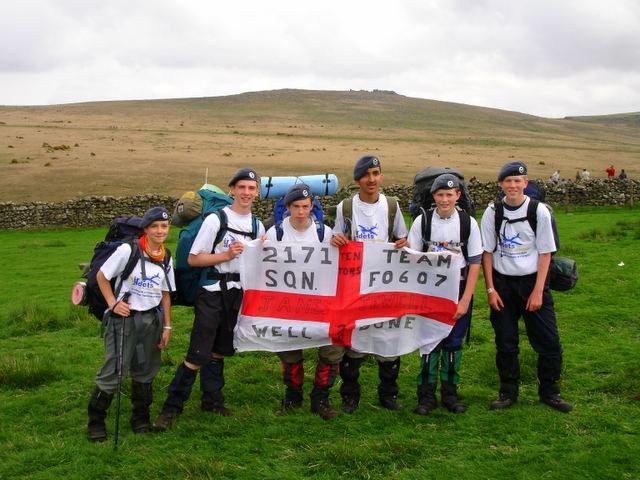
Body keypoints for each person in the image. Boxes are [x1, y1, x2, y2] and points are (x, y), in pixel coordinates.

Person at [153, 168, 265, 430]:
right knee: (198, 352)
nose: (246, 193)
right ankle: (171, 408)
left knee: (220, 350)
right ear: (232, 190)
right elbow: (193, 259)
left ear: (257, 192)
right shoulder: (216, 219)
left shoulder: (257, 225)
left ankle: (212, 400)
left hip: (238, 293)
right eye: (242, 188)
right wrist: (225, 256)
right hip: (212, 290)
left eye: (251, 188)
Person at [481, 161, 572, 413]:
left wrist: (538, 290)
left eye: (517, 181)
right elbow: (486, 252)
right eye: (508, 181)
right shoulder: (493, 211)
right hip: (502, 283)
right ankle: (507, 392)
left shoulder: (539, 211)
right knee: (505, 341)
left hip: (533, 282)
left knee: (549, 341)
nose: (512, 185)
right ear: (501, 185)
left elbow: (546, 253)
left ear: (525, 183)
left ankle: (550, 392)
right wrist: (490, 290)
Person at [87, 206, 174, 442]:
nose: (159, 231)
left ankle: (141, 419)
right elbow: (101, 276)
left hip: (151, 320)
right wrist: (113, 304)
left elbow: (166, 293)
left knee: (146, 370)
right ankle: (96, 422)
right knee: (115, 370)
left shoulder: (165, 256)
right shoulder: (129, 250)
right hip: (123, 320)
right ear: (145, 229)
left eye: (164, 226)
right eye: (154, 226)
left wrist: (167, 326)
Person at [330, 154, 408, 413]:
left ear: (381, 177)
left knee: (387, 341)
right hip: (354, 287)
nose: (371, 179)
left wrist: (403, 244)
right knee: (355, 342)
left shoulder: (393, 206)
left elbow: (404, 240)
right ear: (357, 180)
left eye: (376, 174)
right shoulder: (346, 207)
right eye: (366, 175)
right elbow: (335, 238)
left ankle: (388, 394)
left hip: (384, 285)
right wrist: (337, 240)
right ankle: (350, 395)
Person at [265, 183, 344, 420]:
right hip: (289, 301)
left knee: (332, 347)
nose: (301, 212)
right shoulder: (275, 233)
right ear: (288, 207)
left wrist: (342, 244)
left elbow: (338, 260)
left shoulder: (324, 232)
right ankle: (293, 395)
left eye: (306, 207)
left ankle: (321, 397)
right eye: (297, 207)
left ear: (312, 207)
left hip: (319, 300)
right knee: (289, 349)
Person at [407, 174, 482, 415]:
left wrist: (466, 300)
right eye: (440, 194)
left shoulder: (468, 223)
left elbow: (475, 262)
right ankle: (426, 396)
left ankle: (450, 394)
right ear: (433, 196)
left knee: (453, 342)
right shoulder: (423, 221)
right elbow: (411, 259)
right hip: (428, 290)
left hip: (458, 289)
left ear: (458, 196)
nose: (445, 199)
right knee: (429, 341)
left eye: (450, 194)